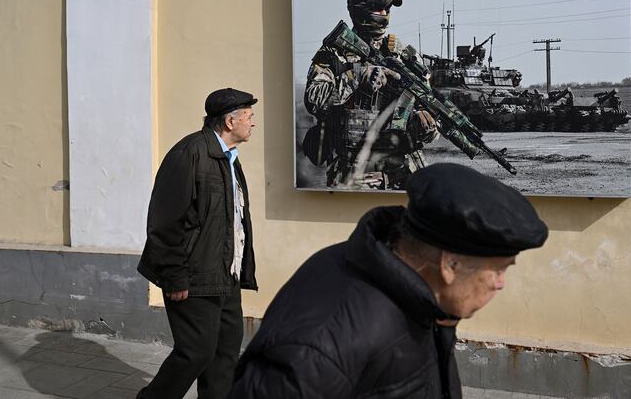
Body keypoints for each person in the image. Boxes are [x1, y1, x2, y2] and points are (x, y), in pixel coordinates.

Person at [230, 163, 548, 399]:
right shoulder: (324, 345)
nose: (501, 283)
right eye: (499, 269)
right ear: (450, 264)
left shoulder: (419, 294)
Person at [136, 87, 258, 399]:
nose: (253, 122)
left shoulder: (229, 159)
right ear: (230, 122)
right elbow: (164, 223)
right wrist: (175, 276)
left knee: (226, 353)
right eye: (249, 116)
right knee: (196, 353)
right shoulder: (189, 154)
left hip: (225, 275)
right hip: (192, 277)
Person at [303, 0, 439, 190]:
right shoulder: (334, 54)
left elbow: (427, 110)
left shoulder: (404, 55)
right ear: (359, 9)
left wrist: (426, 125)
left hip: (404, 173)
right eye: (378, 8)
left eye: (388, 9)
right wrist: (357, 76)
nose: (385, 14)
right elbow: (314, 100)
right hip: (354, 175)